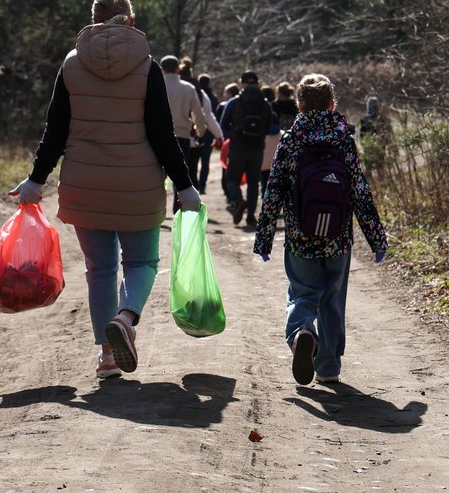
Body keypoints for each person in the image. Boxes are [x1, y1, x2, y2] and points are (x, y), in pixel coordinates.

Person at [9, 0, 201, 380]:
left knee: (99, 269)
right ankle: (126, 319)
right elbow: (163, 135)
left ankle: (108, 355)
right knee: (142, 262)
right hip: (138, 184)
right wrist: (185, 186)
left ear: (94, 19)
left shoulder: (71, 65)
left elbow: (55, 131)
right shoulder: (147, 67)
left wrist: (36, 180)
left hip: (84, 183)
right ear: (131, 19)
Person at [253, 73, 387, 386]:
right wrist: (376, 238)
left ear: (299, 105)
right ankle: (328, 367)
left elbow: (274, 189)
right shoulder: (344, 138)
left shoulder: (291, 139)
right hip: (338, 236)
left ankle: (302, 332)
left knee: (302, 293)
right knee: (332, 298)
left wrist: (264, 239)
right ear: (331, 103)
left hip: (301, 235)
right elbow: (358, 189)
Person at [219, 70, 272, 227]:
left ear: (241, 83)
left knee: (231, 179)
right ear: (257, 83)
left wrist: (233, 136)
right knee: (253, 182)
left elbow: (223, 124)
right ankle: (250, 216)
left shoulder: (235, 102)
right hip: (256, 149)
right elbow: (268, 128)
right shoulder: (265, 103)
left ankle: (238, 200)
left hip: (237, 148)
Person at [161, 55, 206, 212]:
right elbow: (198, 114)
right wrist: (200, 132)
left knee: (158, 176)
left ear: (162, 69)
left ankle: (156, 210)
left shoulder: (155, 85)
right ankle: (177, 209)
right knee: (179, 176)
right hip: (181, 136)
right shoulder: (188, 88)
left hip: (157, 136)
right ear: (177, 68)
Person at [357, 95, 391, 168]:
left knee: (369, 167)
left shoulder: (364, 120)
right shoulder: (382, 119)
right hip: (380, 146)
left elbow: (361, 136)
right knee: (380, 166)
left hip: (368, 147)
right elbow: (387, 134)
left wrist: (364, 145)